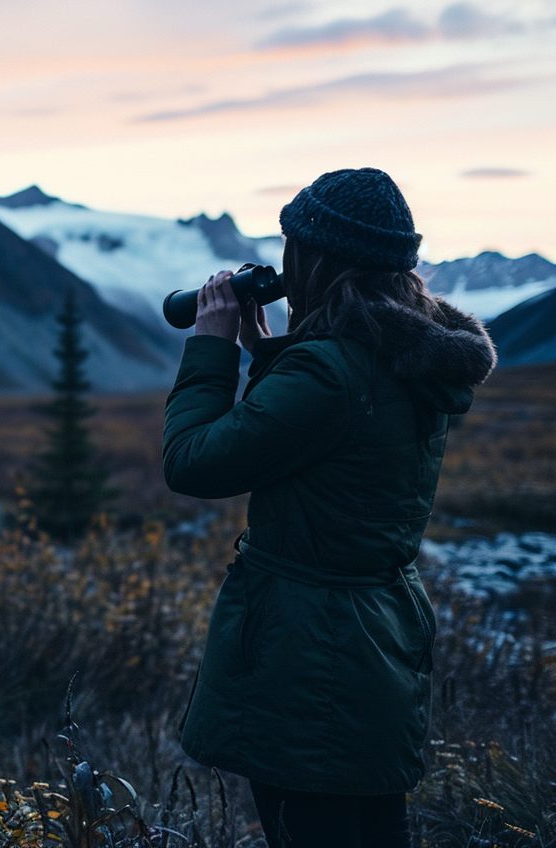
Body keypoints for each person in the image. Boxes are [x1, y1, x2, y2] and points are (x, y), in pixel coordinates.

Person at [161, 168, 497, 847]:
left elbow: (191, 462)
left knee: (310, 826)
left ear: (312, 259)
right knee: (370, 825)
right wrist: (270, 357)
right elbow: (328, 447)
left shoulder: (326, 372)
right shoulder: (402, 356)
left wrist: (210, 349)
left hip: (309, 652)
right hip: (375, 636)